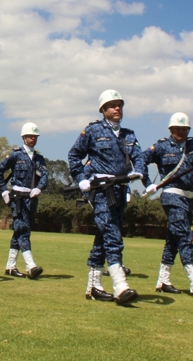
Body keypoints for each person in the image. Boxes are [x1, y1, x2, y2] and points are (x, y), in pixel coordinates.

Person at [68, 90, 144, 304]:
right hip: (100, 190)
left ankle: (93, 287)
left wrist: (139, 171)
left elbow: (139, 156)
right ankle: (120, 285)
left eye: (119, 104)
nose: (117, 108)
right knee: (112, 233)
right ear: (103, 110)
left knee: (104, 236)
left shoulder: (129, 134)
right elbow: (74, 155)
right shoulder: (92, 131)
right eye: (112, 105)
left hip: (120, 189)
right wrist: (81, 178)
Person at [142, 112, 193, 297]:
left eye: (184, 129)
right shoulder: (161, 146)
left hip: (188, 199)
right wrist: (147, 183)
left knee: (173, 239)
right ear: (170, 130)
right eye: (177, 129)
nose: (180, 132)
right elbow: (141, 160)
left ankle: (163, 280)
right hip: (171, 196)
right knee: (184, 235)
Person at [0, 122, 48, 279]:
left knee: (21, 231)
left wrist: (40, 187)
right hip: (18, 198)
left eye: (35, 136)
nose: (33, 139)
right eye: (30, 136)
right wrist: (4, 191)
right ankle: (31, 266)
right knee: (22, 230)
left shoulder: (39, 158)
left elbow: (44, 175)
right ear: (24, 137)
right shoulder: (15, 155)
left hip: (32, 198)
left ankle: (10, 267)